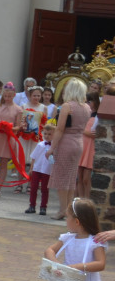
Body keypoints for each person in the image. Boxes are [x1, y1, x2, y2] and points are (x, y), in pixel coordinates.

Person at [48, 78, 90, 221]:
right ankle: (70, 210)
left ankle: (62, 210)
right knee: (71, 178)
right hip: (79, 142)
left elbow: (60, 129)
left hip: (66, 142)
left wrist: (52, 147)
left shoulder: (67, 106)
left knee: (61, 178)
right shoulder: (86, 107)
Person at [0, 82, 24, 197]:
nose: (7, 98)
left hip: (8, 137)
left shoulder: (18, 109)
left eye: (9, 96)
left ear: (14, 95)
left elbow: (18, 127)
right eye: (5, 96)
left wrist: (9, 127)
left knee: (3, 163)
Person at [26, 123, 55, 216]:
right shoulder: (40, 145)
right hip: (37, 169)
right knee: (33, 187)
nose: (47, 136)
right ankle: (32, 206)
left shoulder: (54, 147)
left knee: (44, 189)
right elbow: (34, 157)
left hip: (47, 170)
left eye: (50, 134)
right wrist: (31, 168)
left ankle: (43, 207)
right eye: (45, 133)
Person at [78, 92, 100, 200]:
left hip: (91, 147)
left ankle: (87, 200)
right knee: (79, 178)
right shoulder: (84, 113)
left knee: (87, 178)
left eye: (90, 101)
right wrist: (85, 133)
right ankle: (81, 200)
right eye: (86, 101)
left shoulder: (99, 115)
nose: (88, 104)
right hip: (82, 145)